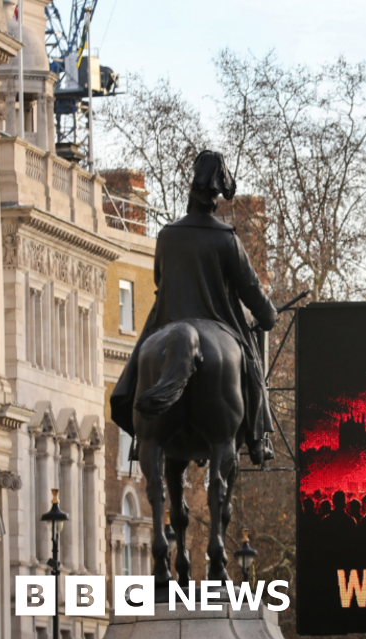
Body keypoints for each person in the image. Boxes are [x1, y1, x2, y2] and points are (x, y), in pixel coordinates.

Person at [109, 151, 277, 465]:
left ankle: (138, 434)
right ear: (218, 196)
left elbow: (160, 278)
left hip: (168, 316)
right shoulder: (227, 240)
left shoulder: (167, 235)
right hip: (218, 321)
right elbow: (252, 294)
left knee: (139, 362)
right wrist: (269, 314)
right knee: (252, 366)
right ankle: (258, 438)